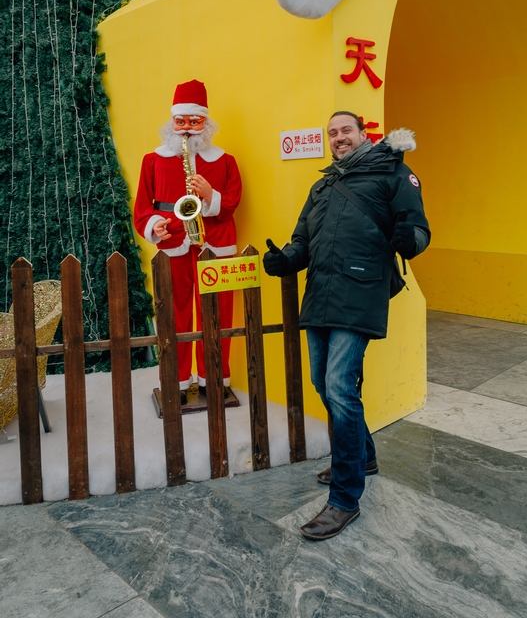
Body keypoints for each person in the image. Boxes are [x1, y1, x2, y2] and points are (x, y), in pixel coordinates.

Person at [263, 111, 430, 540]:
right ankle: (365, 458)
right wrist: (285, 260)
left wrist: (408, 239)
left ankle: (344, 499)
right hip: (320, 294)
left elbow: (418, 229)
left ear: (363, 134)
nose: (338, 138)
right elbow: (302, 240)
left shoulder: (394, 172)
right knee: (324, 381)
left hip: (360, 293)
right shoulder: (322, 185)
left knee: (339, 385)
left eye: (346, 131)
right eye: (332, 133)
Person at [134, 79, 242, 404]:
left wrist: (210, 196)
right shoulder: (152, 160)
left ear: (206, 123)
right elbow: (143, 208)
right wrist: (155, 226)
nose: (186, 130)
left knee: (218, 312)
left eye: (193, 122)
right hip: (174, 241)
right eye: (181, 122)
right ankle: (177, 383)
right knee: (174, 313)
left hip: (214, 242)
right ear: (172, 122)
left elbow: (233, 201)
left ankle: (215, 380)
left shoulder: (225, 160)